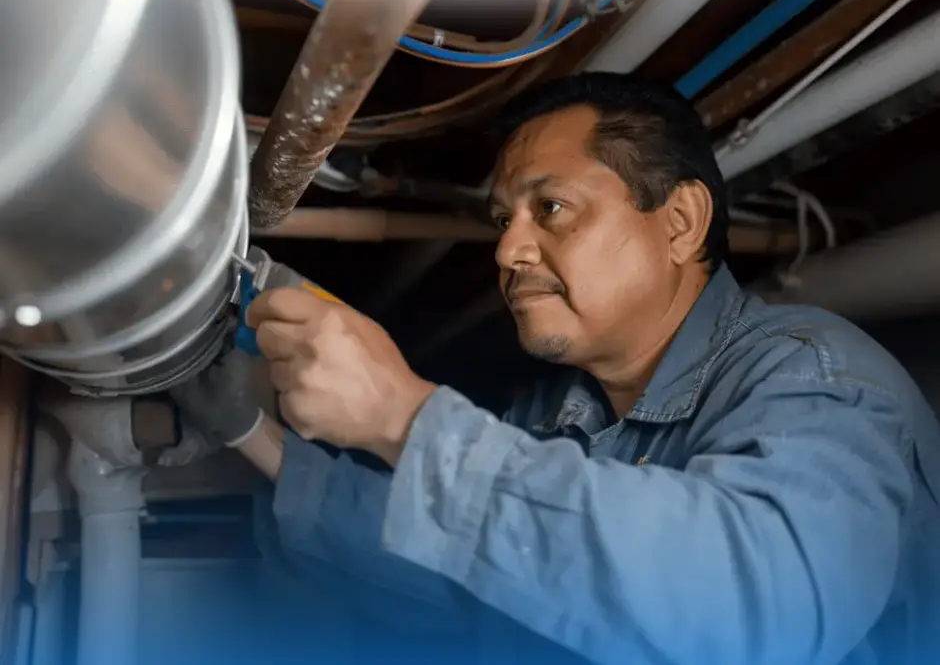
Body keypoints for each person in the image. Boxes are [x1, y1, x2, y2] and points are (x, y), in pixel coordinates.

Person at [171, 73, 940, 665]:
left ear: (679, 222)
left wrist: (405, 417)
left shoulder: (816, 381)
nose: (507, 250)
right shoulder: (549, 417)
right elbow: (462, 578)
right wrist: (253, 436)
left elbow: (759, 607)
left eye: (553, 209)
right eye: (505, 219)